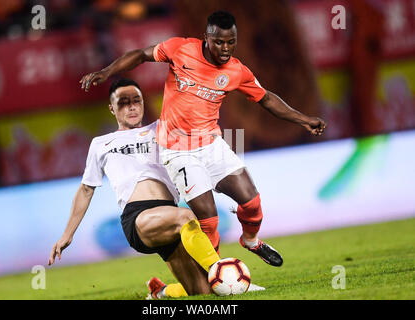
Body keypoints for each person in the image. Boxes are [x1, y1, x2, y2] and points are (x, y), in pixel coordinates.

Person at [79, 11, 327, 267]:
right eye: (219, 42)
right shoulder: (180, 49)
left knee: (251, 202)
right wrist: (107, 72)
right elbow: (141, 54)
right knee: (208, 218)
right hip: (177, 150)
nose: (225, 48)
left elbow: (266, 99)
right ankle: (216, 274)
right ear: (206, 38)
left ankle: (251, 241)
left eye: (231, 42)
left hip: (211, 145)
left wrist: (303, 119)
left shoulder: (235, 71)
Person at [48, 78, 221, 299]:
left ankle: (161, 292)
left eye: (136, 101)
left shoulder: (162, 128)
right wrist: (67, 234)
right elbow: (85, 190)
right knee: (186, 217)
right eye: (123, 102)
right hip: (139, 218)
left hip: (168, 214)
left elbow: (199, 140)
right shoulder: (101, 144)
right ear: (112, 108)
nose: (131, 106)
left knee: (202, 292)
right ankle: (223, 272)